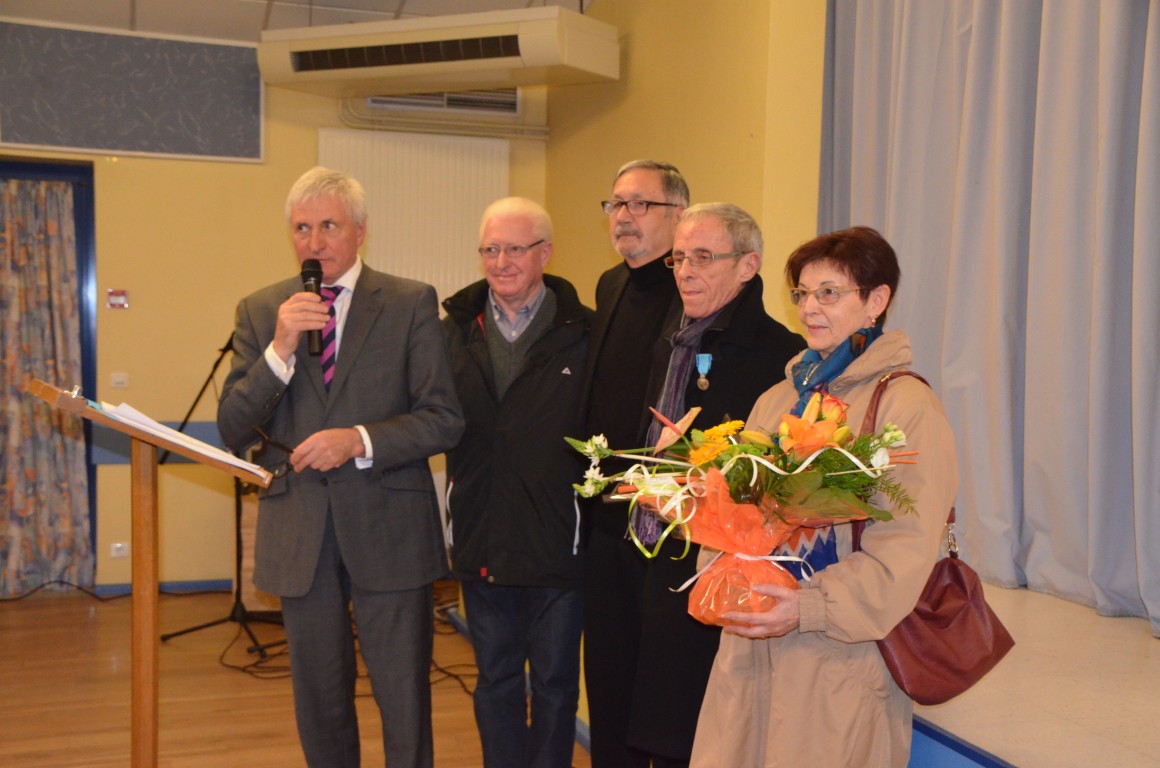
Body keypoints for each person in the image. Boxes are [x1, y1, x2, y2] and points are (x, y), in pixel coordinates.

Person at [217, 166, 464, 768]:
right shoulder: (261, 311)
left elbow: (443, 419)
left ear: (360, 231)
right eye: (302, 228)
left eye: (329, 225)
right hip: (300, 530)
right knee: (320, 700)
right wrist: (279, 350)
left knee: (403, 695)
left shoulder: (409, 302)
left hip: (389, 527)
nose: (315, 241)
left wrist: (357, 439)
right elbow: (232, 426)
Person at [689, 226, 959, 767]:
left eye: (829, 293)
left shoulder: (905, 406)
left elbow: (905, 549)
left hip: (839, 657)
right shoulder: (778, 398)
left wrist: (808, 608)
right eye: (802, 294)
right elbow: (729, 511)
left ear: (876, 302)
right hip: (751, 646)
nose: (810, 308)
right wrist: (721, 570)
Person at [628, 203, 804, 766]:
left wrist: (694, 473)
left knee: (699, 734)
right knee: (657, 722)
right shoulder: (676, 339)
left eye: (703, 257)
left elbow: (775, 482)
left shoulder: (778, 356)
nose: (684, 271)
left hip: (719, 571)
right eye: (679, 257)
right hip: (656, 549)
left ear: (749, 264)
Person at [441, 197, 592, 768]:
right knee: (495, 680)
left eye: (515, 249)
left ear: (546, 254)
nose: (501, 262)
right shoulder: (452, 330)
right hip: (482, 537)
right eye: (490, 249)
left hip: (558, 542)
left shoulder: (585, 331)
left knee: (555, 686)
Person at [580, 159, 687, 767]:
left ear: (678, 215)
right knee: (610, 683)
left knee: (662, 691)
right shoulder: (609, 284)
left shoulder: (691, 291)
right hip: (607, 521)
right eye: (615, 204)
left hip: (667, 527)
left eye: (639, 204)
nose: (623, 217)